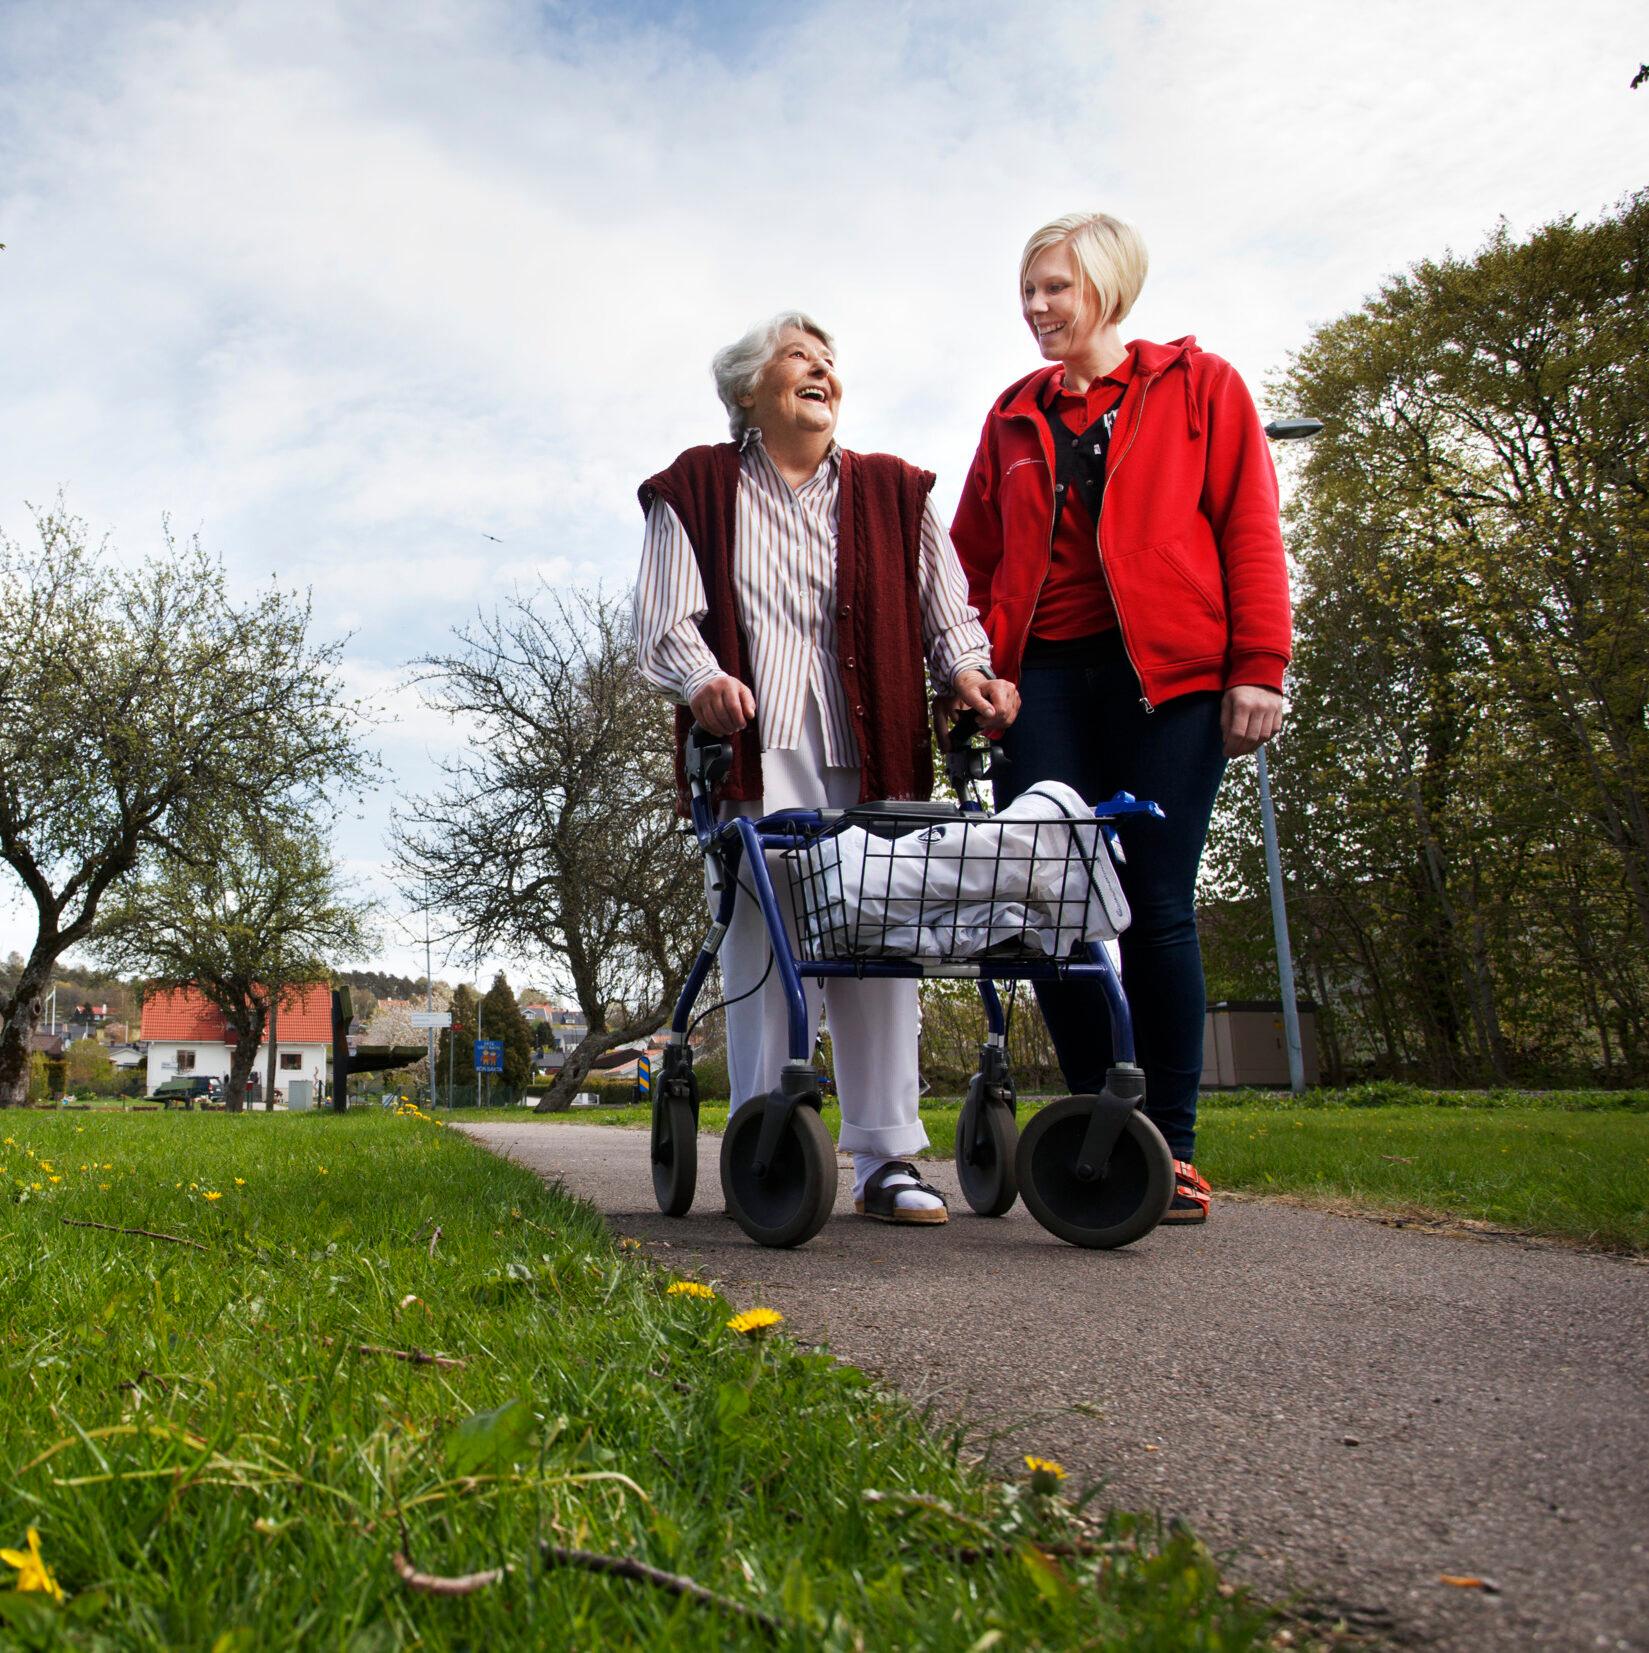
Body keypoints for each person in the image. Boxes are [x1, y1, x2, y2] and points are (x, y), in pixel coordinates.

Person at [635, 311, 1019, 1225]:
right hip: (754, 752)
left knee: (880, 944)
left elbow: (947, 615)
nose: (821, 372)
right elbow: (661, 620)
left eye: (828, 362)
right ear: (747, 393)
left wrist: (970, 672)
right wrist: (704, 679)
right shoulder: (696, 484)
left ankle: (885, 1160)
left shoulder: (895, 490)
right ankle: (772, 1143)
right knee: (763, 945)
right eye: (798, 359)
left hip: (873, 747)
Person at [948, 212, 1291, 1225]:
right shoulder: (1011, 416)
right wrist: (966, 670)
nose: (1036, 308)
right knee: (1049, 909)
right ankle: (1101, 1120)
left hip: (1170, 681)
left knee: (1155, 904)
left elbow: (1246, 527)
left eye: (1054, 288)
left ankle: (1168, 1149)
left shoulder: (1198, 388)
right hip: (1041, 683)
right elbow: (964, 564)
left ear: (1106, 287)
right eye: (1027, 291)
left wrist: (1256, 666)